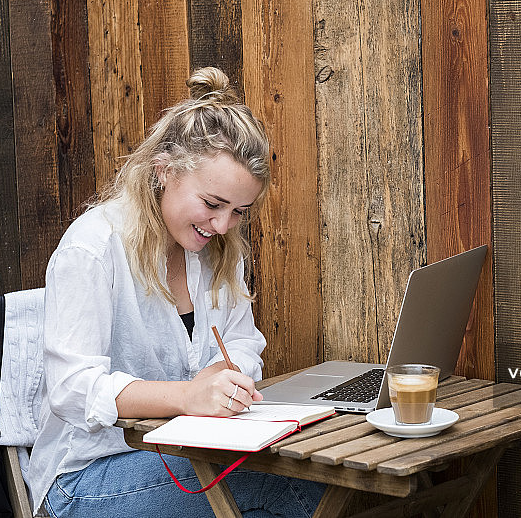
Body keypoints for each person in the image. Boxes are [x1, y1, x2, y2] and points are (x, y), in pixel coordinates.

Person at [27, 67, 325, 517]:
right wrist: (187, 396)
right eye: (212, 204)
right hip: (87, 476)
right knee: (286, 485)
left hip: (186, 451)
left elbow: (244, 345)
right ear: (164, 171)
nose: (223, 225)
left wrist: (222, 380)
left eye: (239, 211)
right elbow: (72, 389)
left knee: (294, 478)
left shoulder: (217, 251)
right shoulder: (93, 248)